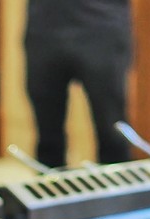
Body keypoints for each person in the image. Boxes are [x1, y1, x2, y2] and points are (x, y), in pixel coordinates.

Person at [24, 0, 133, 168]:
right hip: (43, 29)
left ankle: (119, 185)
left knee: (112, 135)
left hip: (102, 27)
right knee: (47, 138)